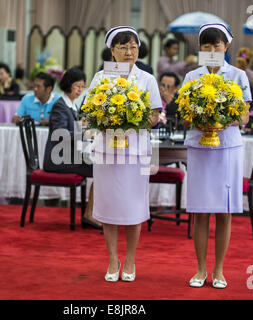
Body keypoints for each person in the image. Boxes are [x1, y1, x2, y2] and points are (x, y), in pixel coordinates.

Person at [88, 26, 162, 282]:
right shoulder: (100, 78)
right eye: (123, 47)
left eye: (133, 47)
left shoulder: (147, 79)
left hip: (136, 152)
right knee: (109, 205)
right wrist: (107, 118)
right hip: (107, 151)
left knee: (133, 207)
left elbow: (154, 116)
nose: (129, 52)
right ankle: (112, 259)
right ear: (112, 50)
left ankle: (130, 259)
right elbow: (89, 112)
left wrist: (134, 120)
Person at [182, 23, 251, 289]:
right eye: (206, 47)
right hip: (200, 147)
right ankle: (200, 269)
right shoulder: (192, 77)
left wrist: (226, 121)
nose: (212, 50)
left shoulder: (238, 76)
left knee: (224, 211)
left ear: (226, 46)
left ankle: (219, 270)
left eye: (217, 46)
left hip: (228, 148)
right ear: (200, 49)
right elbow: (186, 111)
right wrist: (197, 121)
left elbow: (244, 114)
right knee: (200, 211)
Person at [42, 68, 100, 230]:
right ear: (68, 85)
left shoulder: (70, 105)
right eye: (77, 86)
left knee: (101, 167)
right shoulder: (60, 106)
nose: (80, 90)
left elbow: (72, 130)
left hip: (66, 156)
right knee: (100, 168)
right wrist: (85, 132)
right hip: (57, 159)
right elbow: (61, 135)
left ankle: (91, 214)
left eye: (83, 86)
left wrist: (83, 128)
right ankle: (90, 215)